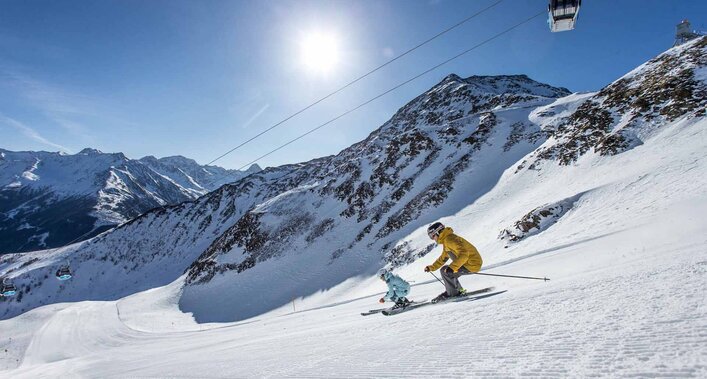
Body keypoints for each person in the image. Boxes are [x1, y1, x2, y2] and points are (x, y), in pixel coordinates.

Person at [424, 222, 483, 302]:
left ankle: (453, 293)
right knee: (446, 270)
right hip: (469, 263)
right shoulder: (447, 240)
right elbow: (443, 258)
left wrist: (452, 267)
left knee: (445, 271)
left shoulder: (450, 240)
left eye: (432, 236)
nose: (432, 238)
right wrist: (431, 267)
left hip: (471, 264)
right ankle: (457, 290)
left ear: (438, 232)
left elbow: (464, 254)